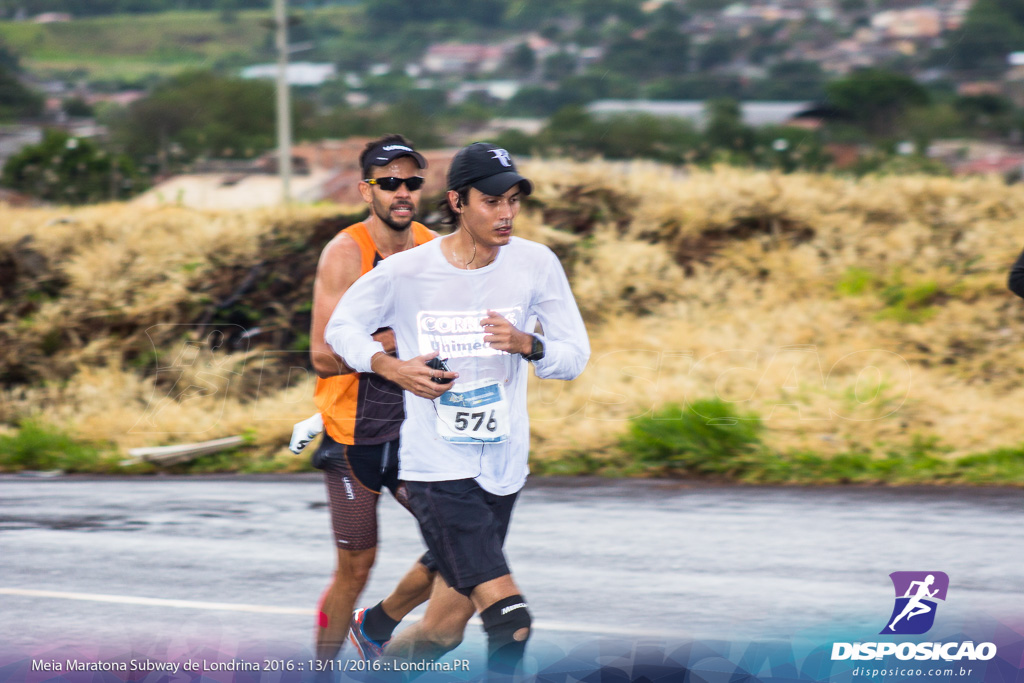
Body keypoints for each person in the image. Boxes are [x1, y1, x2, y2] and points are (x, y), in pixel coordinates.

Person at [325, 142, 590, 677]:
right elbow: (340, 329)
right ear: (457, 202)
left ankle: (371, 659)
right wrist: (390, 366)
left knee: (442, 633)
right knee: (511, 621)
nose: (506, 213)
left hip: (502, 465)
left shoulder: (537, 263)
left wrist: (529, 345)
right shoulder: (409, 271)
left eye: (514, 200)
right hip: (436, 468)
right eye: (492, 201)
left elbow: (574, 357)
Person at [304, 134, 440, 663]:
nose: (401, 191)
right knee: (355, 567)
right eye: (389, 182)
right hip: (353, 435)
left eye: (411, 182)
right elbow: (321, 354)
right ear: (368, 190)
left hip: (417, 435)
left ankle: (379, 622)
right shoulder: (345, 252)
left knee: (462, 543)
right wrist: (391, 342)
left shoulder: (433, 247)